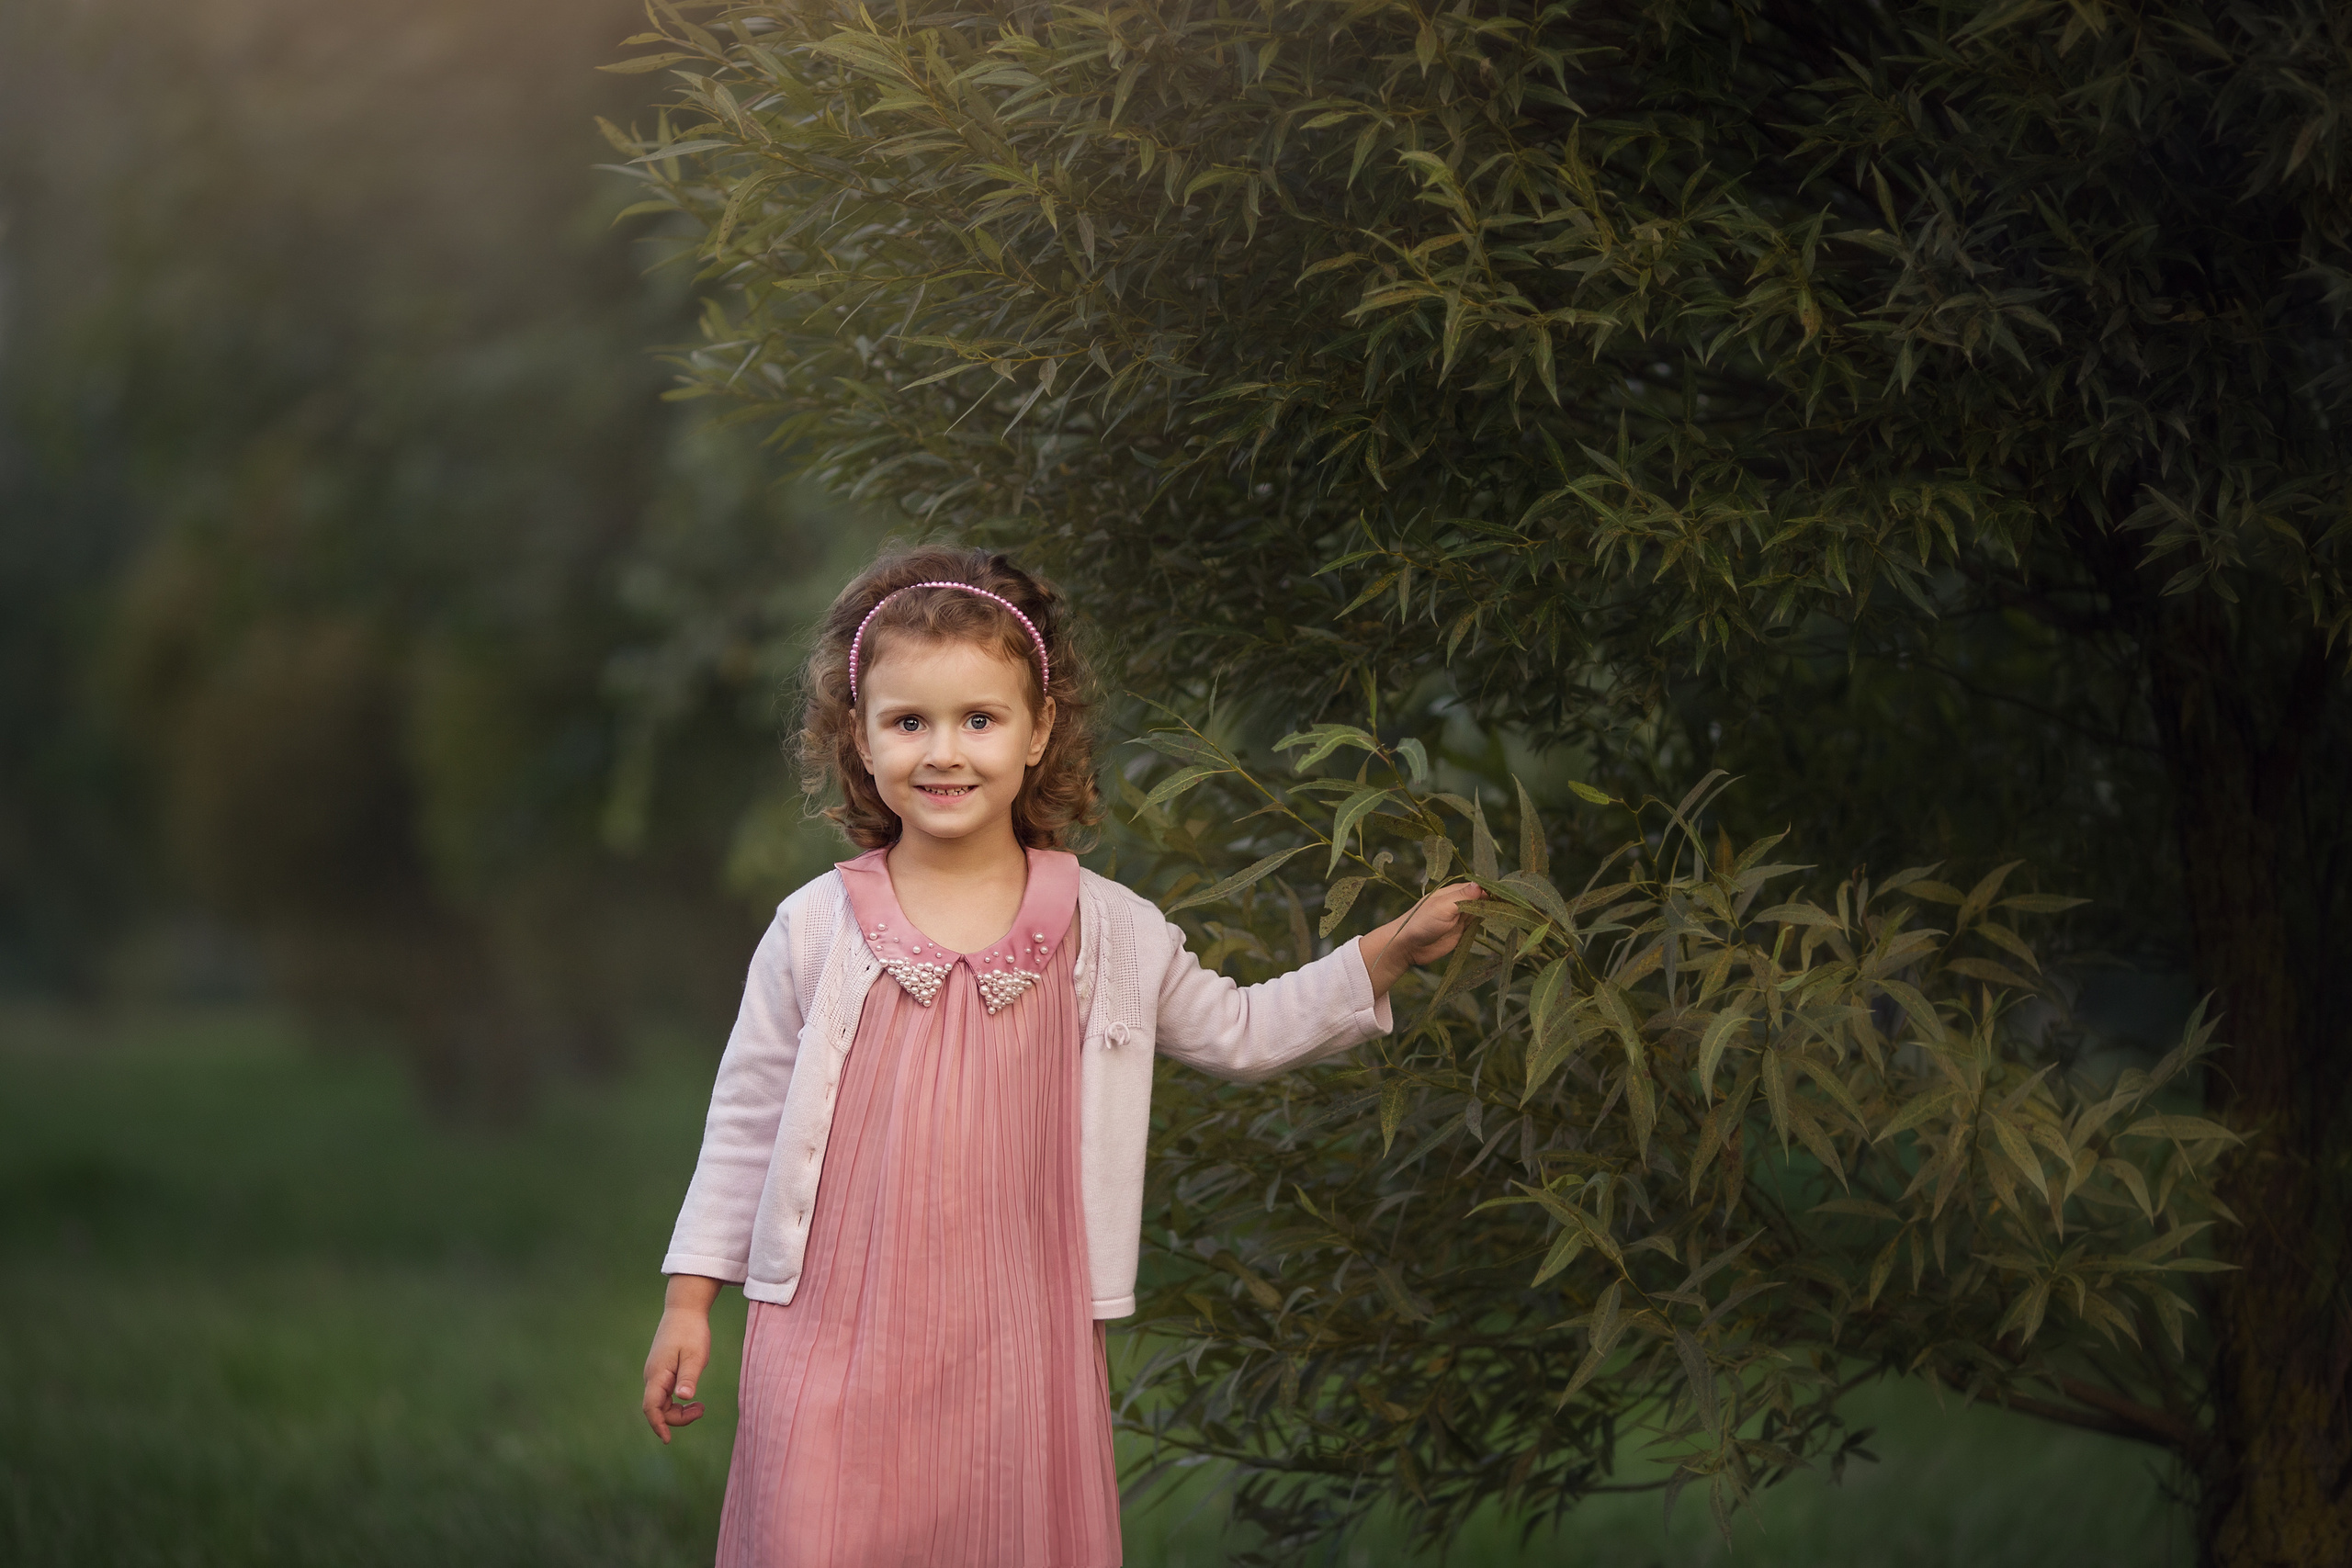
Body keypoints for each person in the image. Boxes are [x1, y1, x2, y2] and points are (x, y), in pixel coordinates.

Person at [639, 546, 1482, 1567]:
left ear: (1039, 732)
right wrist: (691, 1302)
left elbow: (1239, 1030)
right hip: (831, 1327)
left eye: (978, 720)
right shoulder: (816, 928)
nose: (942, 752)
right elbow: (743, 1118)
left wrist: (1379, 956)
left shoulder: (1106, 930)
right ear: (856, 737)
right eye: (908, 721)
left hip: (1016, 1336)